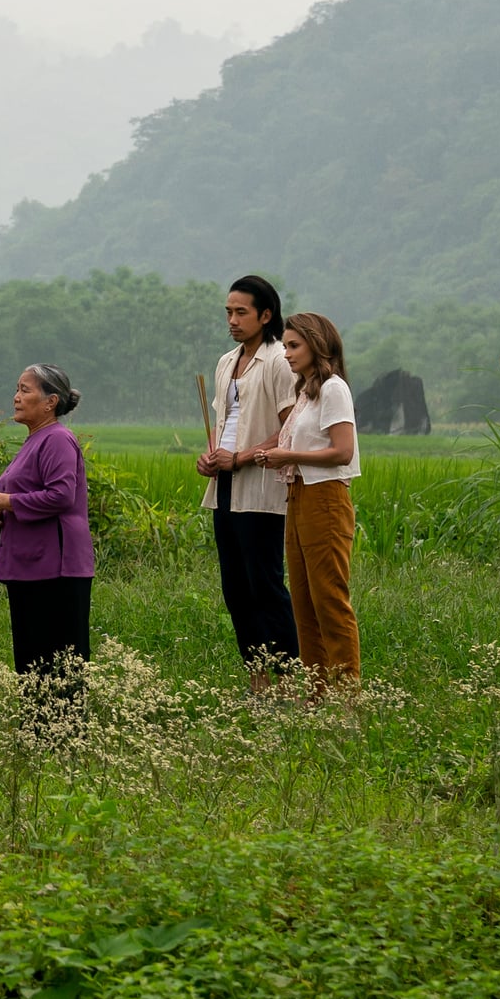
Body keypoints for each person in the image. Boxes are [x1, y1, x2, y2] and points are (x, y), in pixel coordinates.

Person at [195, 275, 301, 692]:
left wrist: (240, 457)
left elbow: (291, 428)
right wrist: (212, 456)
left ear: (266, 315)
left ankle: (292, 677)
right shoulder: (227, 361)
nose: (233, 320)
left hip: (263, 490)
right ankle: (258, 677)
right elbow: (226, 424)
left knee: (265, 584)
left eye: (241, 312)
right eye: (228, 312)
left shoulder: (279, 360)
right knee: (236, 588)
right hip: (226, 488)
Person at [253, 312, 362, 691]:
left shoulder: (333, 388)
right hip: (298, 493)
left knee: (329, 597)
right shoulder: (307, 392)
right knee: (303, 599)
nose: (286, 354)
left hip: (325, 496)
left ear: (318, 345)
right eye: (285, 346)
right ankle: (318, 690)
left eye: (294, 346)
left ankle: (346, 691)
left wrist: (290, 457)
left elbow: (343, 451)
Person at [0, 363, 95, 682]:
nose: (16, 397)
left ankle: (62, 730)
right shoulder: (34, 440)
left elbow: (60, 496)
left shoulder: (57, 438)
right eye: (17, 389)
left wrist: (9, 501)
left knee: (58, 661)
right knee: (32, 662)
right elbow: (28, 497)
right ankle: (38, 730)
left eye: (25, 390)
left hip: (56, 568)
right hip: (30, 565)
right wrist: (1, 513)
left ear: (50, 401)